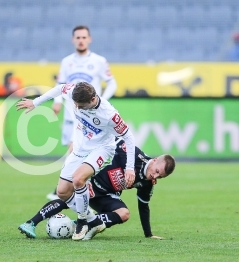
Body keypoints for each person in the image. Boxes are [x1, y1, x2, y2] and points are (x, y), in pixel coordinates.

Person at [16, 82, 135, 241]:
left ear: (93, 99)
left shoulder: (109, 114)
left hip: (102, 148)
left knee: (78, 179)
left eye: (82, 106)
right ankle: (92, 220)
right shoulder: (74, 90)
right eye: (75, 105)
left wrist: (130, 168)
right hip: (80, 149)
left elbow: (128, 136)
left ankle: (82, 221)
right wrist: (35, 102)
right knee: (63, 192)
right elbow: (59, 88)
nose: (77, 109)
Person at [18, 138, 176, 240]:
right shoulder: (132, 153)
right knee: (66, 195)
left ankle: (87, 223)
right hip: (92, 181)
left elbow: (144, 206)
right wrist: (87, 175)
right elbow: (106, 144)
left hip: (107, 195)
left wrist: (148, 234)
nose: (155, 176)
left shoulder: (148, 183)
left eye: (159, 177)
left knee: (124, 213)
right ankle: (31, 223)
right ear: (155, 160)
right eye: (157, 171)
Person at [47, 25, 118, 201]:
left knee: (76, 149)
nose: (81, 40)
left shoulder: (99, 61)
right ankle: (74, 185)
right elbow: (60, 85)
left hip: (91, 116)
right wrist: (57, 102)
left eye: (84, 37)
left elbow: (112, 83)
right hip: (72, 113)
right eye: (77, 37)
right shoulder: (66, 62)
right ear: (73, 40)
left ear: (89, 39)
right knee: (73, 150)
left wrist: (101, 100)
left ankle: (64, 188)